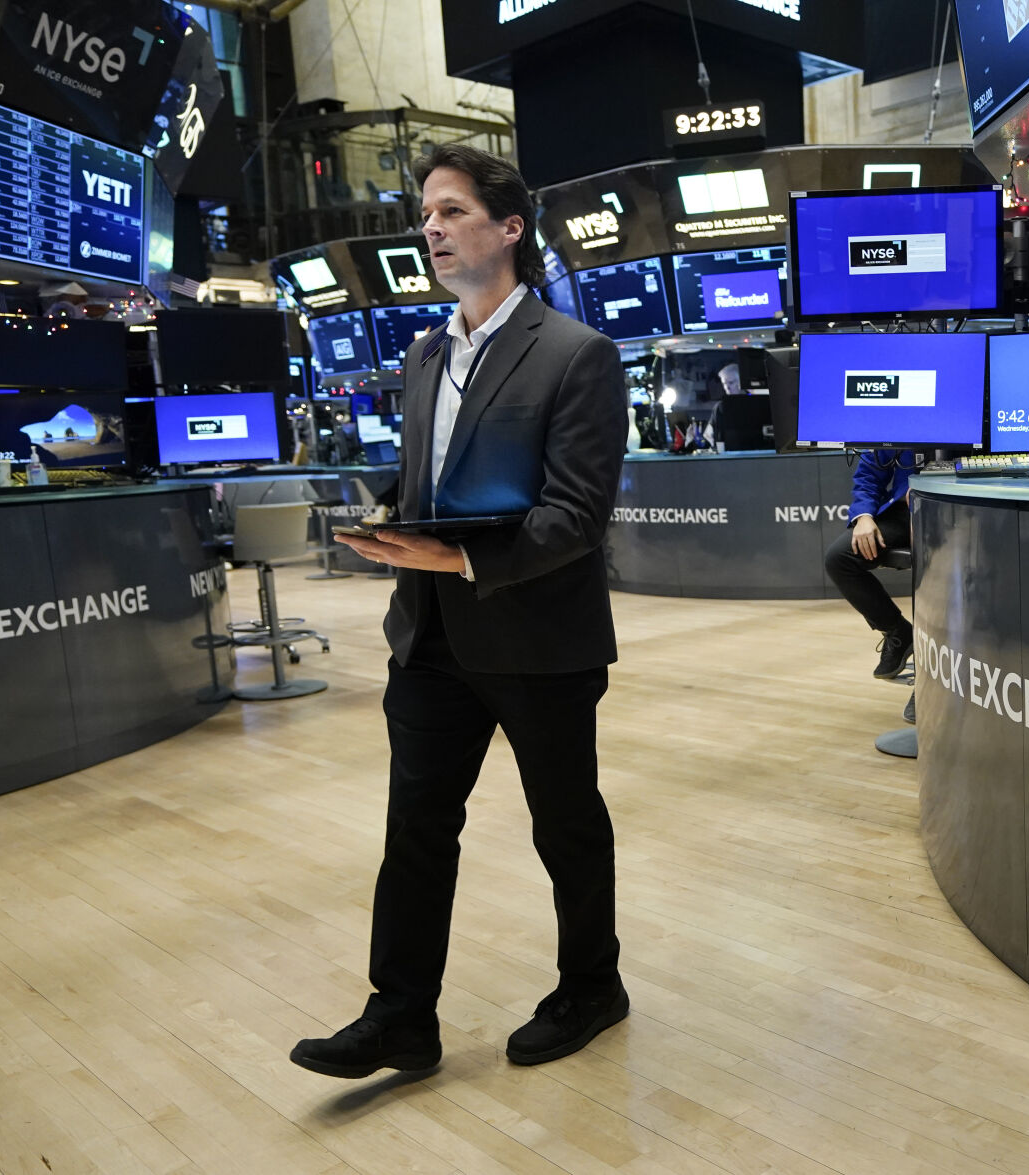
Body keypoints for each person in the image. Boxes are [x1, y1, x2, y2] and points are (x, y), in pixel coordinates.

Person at [292, 145, 630, 1078]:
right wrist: (390, 523)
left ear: (509, 227)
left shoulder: (578, 354)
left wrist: (455, 552)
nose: (430, 228)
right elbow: (425, 484)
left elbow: (575, 516)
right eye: (425, 215)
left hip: (537, 636)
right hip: (431, 635)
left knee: (564, 823)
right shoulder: (423, 353)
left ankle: (592, 985)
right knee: (415, 828)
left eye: (450, 211)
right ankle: (401, 1014)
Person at [824, 448, 919, 678]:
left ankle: (931, 686)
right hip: (903, 512)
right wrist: (864, 515)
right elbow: (869, 474)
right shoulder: (896, 418)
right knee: (839, 559)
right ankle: (897, 631)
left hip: (953, 508)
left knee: (940, 563)